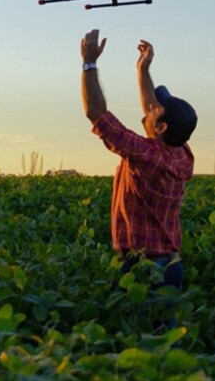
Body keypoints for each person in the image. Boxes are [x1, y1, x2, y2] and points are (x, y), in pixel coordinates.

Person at [80, 28, 197, 293]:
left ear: (162, 128)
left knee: (131, 320)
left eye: (156, 107)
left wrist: (89, 64)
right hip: (170, 266)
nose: (151, 106)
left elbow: (96, 114)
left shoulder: (147, 155)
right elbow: (151, 114)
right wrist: (142, 70)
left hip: (144, 269)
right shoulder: (183, 154)